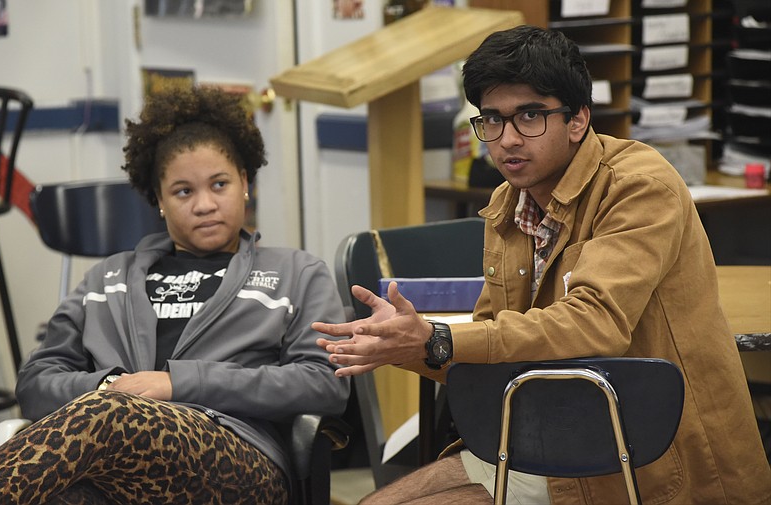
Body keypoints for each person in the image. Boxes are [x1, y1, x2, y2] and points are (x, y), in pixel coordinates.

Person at [313, 25, 771, 504]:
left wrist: (439, 337)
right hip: (546, 439)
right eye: (492, 119)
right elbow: (494, 349)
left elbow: (596, 324)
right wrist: (403, 345)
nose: (507, 139)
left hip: (645, 461)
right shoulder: (508, 203)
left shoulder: (637, 184)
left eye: (529, 116)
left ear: (577, 121)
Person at [0, 85, 350, 504]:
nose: (204, 204)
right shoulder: (107, 280)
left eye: (219, 184)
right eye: (184, 191)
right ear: (160, 202)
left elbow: (322, 383)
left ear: (245, 183)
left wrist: (176, 384)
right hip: (114, 467)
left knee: (108, 413)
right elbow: (36, 382)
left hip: (238, 459)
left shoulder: (295, 273)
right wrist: (111, 384)